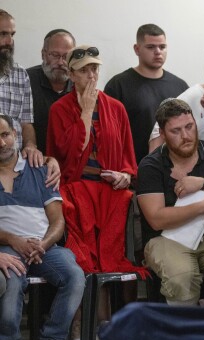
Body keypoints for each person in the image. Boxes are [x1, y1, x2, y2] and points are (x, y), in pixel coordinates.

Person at [46, 45, 147, 322]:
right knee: (84, 260)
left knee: (117, 258)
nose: (91, 75)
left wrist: (125, 175)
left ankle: (119, 324)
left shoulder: (115, 107)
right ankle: (85, 324)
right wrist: (85, 114)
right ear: (71, 74)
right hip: (75, 191)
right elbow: (64, 155)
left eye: (95, 68)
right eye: (84, 70)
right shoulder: (59, 109)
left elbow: (129, 156)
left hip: (111, 193)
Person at [0, 114, 85, 340]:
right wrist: (13, 240)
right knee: (11, 278)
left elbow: (58, 222)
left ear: (15, 135)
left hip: (44, 247)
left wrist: (42, 245)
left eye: (5, 135)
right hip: (6, 248)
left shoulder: (39, 169)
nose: (2, 143)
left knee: (75, 276)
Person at [138, 99, 204, 306]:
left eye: (189, 127)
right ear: (162, 133)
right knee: (182, 277)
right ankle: (186, 332)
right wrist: (201, 207)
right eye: (176, 131)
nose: (186, 136)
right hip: (165, 238)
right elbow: (156, 219)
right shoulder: (151, 165)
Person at [104, 24, 188, 164]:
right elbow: (109, 135)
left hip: (175, 169)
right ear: (137, 49)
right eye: (151, 47)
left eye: (162, 47)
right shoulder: (118, 85)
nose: (158, 52)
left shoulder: (180, 86)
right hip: (132, 170)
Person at [0, 10, 45, 170]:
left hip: (16, 163)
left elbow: (26, 122)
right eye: (3, 34)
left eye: (12, 35)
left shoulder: (20, 74)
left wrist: (31, 146)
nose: (9, 41)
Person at [26, 29, 76, 154]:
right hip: (33, 162)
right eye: (54, 55)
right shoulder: (25, 80)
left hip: (70, 162)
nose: (60, 62)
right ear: (43, 54)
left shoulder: (80, 85)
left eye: (66, 57)